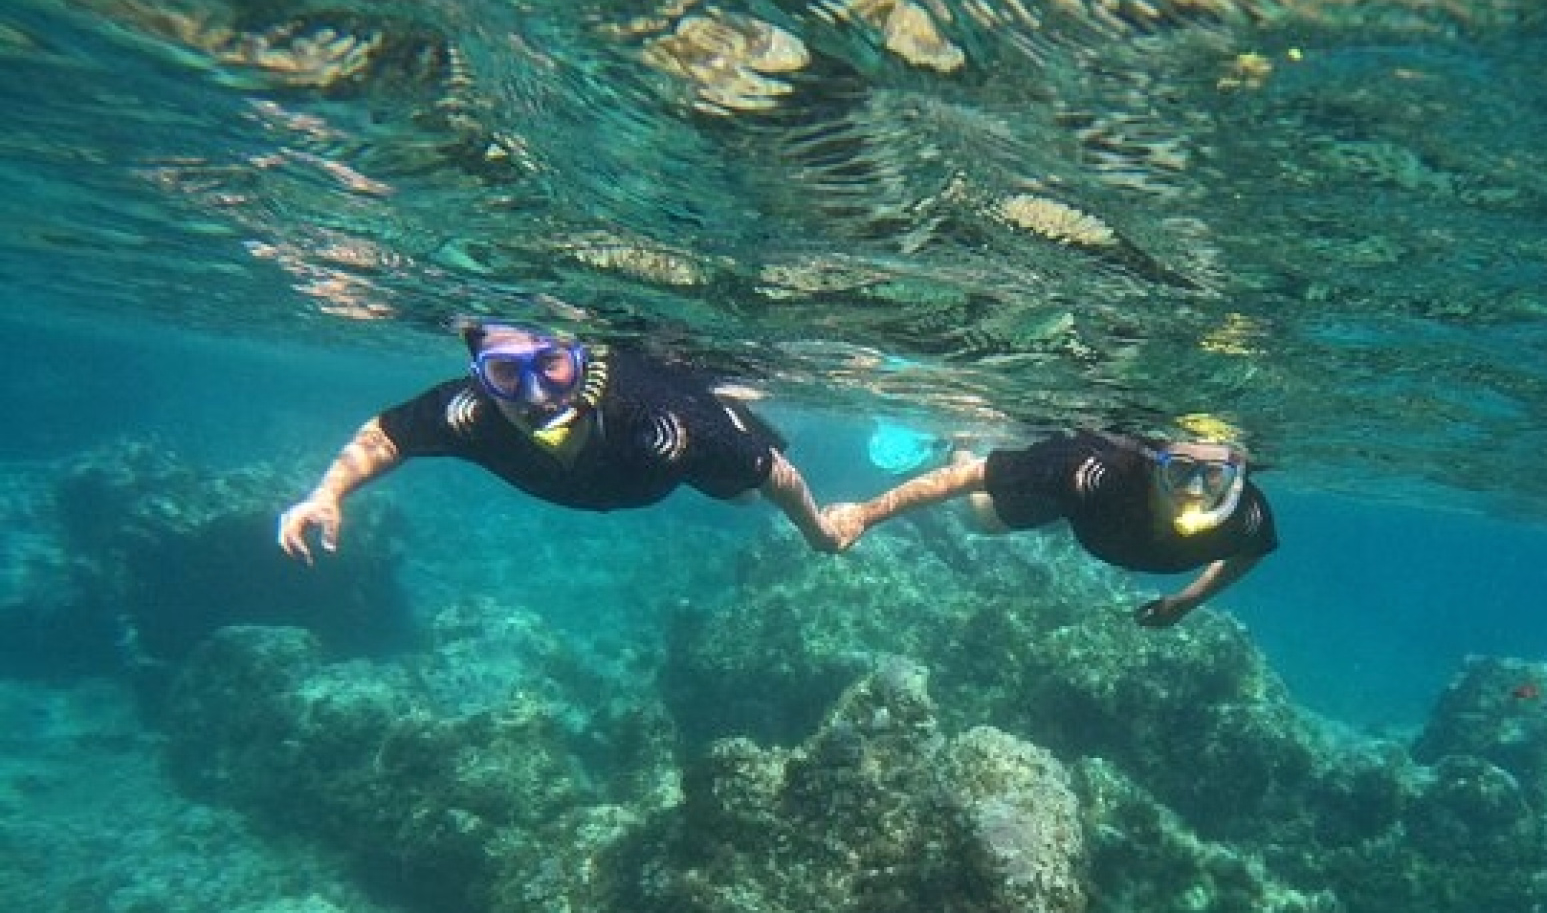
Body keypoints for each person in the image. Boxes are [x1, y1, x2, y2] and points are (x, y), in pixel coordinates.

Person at [278, 321, 844, 562]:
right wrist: (328, 493)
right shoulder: (470, 413)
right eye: (505, 373)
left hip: (675, 429)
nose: (536, 394)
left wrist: (817, 531)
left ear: (581, 360)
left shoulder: (661, 425)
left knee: (742, 496)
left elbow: (773, 474)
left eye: (553, 366)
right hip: (619, 477)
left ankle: (729, 403)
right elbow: (386, 434)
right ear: (480, 375)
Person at [822, 424, 1277, 628]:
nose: (1195, 490)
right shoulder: (1093, 476)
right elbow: (972, 478)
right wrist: (866, 515)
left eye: (1213, 475)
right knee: (983, 519)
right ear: (1154, 465)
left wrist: (1188, 601)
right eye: (1179, 470)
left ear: (1236, 476)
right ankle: (959, 440)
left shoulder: (1244, 515)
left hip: (1098, 527)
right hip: (1083, 508)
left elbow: (1249, 553)